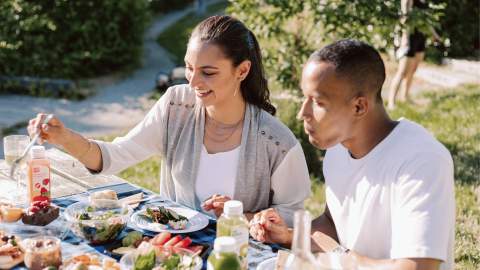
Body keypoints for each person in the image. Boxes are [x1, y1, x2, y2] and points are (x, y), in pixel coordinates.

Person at [28, 15, 311, 225]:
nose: (194, 81)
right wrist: (65, 138)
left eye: (208, 72)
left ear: (242, 70)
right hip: (173, 252)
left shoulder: (277, 142)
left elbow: (296, 215)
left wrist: (242, 216)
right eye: (189, 68)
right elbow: (116, 155)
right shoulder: (177, 104)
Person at [249, 39, 455, 270]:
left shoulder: (422, 161)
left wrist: (330, 263)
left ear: (359, 107)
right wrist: (289, 235)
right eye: (304, 98)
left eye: (317, 102)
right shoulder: (338, 148)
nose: (302, 113)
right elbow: (333, 223)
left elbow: (419, 267)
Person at [387, 0, 442, 110]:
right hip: (409, 37)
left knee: (413, 70)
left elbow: (425, 20)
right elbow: (404, 17)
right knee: (402, 71)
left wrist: (434, 35)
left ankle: (405, 97)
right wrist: (405, 38)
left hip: (421, 37)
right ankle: (391, 102)